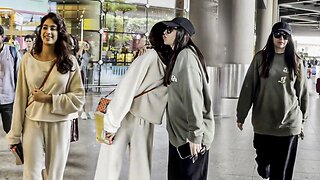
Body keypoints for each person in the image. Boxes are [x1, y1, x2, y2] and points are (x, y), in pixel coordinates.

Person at [6, 12, 85, 180]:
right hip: (33, 122)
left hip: (60, 123)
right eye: (45, 27)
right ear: (40, 31)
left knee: (54, 175)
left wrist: (49, 99)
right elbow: (20, 98)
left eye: (53, 28)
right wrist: (14, 133)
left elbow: (79, 98)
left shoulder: (69, 60)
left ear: (60, 33)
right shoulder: (27, 59)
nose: (48, 32)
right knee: (31, 173)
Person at [94, 21, 172, 180]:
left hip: (127, 114)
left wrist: (111, 123)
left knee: (109, 165)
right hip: (146, 118)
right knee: (141, 167)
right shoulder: (172, 60)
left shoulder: (149, 56)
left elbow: (127, 88)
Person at [236, 22, 309, 180]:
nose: (281, 38)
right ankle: (264, 167)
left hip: (289, 123)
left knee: (281, 172)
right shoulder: (260, 58)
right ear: (272, 36)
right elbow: (249, 87)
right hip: (263, 123)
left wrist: (302, 119)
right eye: (278, 34)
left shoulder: (296, 61)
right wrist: (241, 114)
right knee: (264, 165)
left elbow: (302, 93)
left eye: (285, 36)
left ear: (289, 39)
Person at [162, 17, 215, 180]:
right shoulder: (178, 56)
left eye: (170, 30)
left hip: (189, 138)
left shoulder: (186, 57)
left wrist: (195, 135)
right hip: (180, 136)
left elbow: (193, 98)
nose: (165, 32)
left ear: (181, 34)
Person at [0, 25, 21, 134]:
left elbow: (19, 75)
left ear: (2, 37)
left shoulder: (12, 52)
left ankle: (16, 150)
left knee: (11, 131)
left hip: (8, 99)